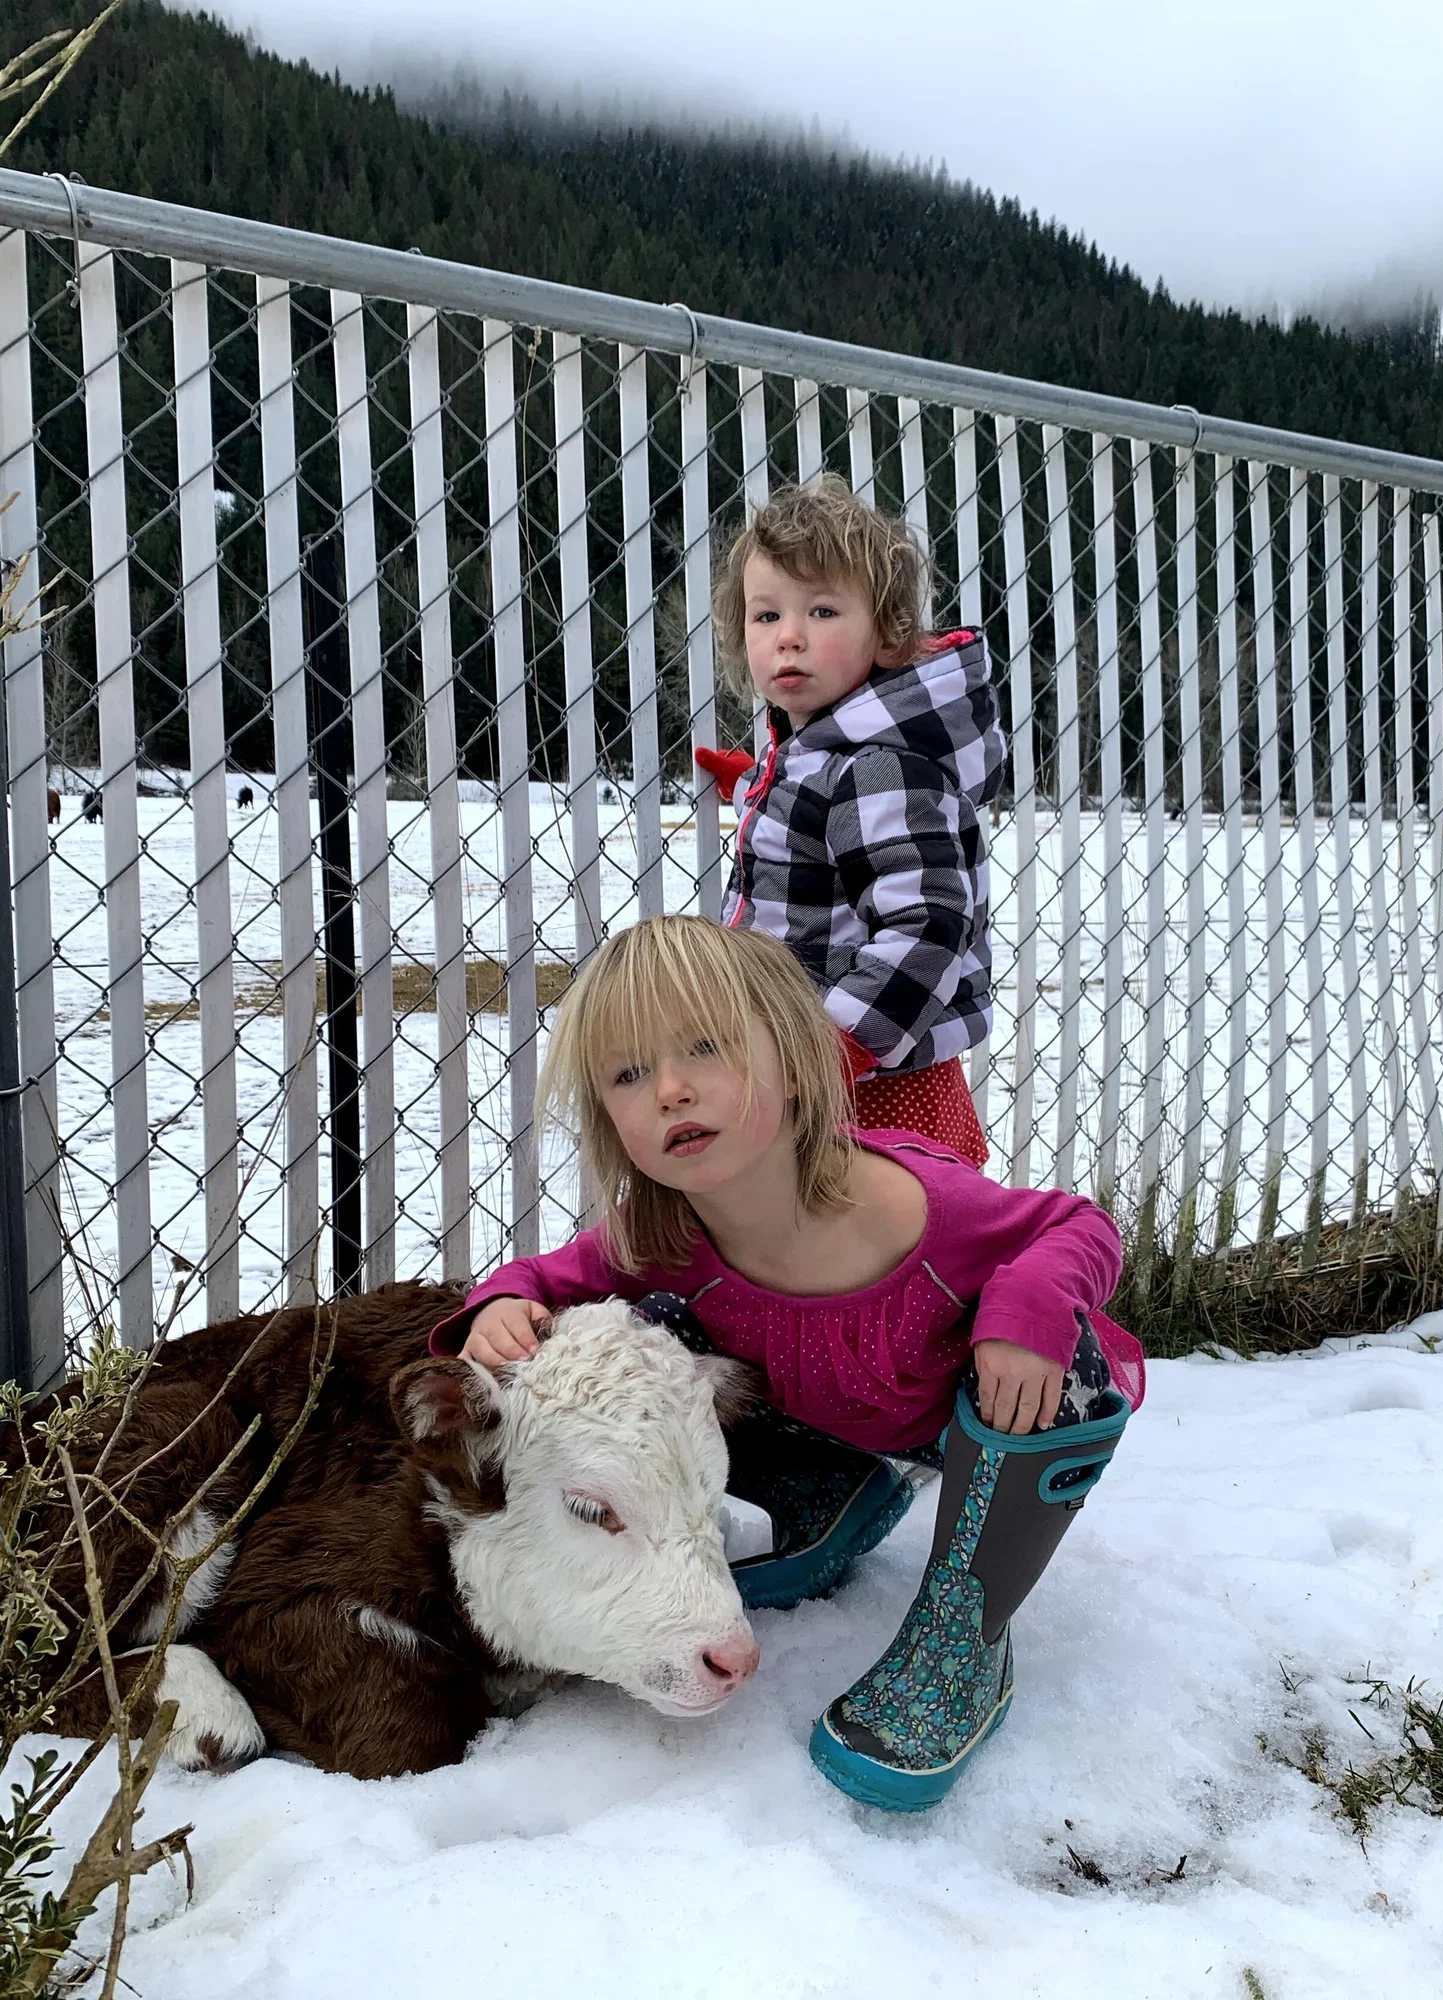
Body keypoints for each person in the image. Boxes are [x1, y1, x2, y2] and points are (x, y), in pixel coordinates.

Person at [431, 917, 1145, 1811]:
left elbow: (1079, 1227)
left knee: (1067, 1361)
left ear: (800, 1059)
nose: (671, 1090)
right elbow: (541, 1276)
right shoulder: (661, 1240)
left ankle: (967, 1635)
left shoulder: (913, 1208)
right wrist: (498, 1304)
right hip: (830, 1417)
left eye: (706, 1048)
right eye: (627, 1073)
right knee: (650, 1332)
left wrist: (1031, 1303)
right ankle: (827, 1489)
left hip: (982, 1426)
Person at [694, 475, 1005, 1166]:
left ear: (889, 637)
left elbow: (928, 923)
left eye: (824, 611)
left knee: (879, 1250)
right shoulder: (825, 753)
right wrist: (758, 780)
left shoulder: (879, 770)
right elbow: (840, 845)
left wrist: (842, 1043)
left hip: (870, 1080)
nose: (791, 638)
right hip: (816, 1062)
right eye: (766, 616)